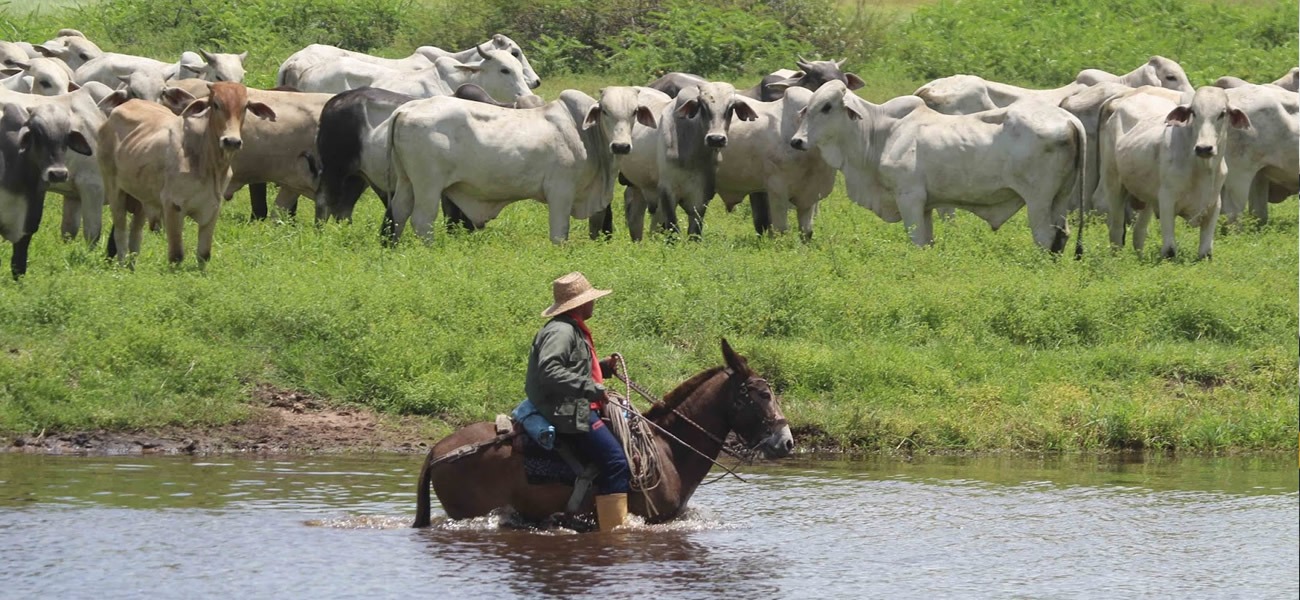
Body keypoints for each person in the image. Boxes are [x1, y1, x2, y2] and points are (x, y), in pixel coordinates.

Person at [525, 271, 630, 532]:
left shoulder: (571, 328)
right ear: (581, 303)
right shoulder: (561, 331)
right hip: (566, 409)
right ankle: (612, 532)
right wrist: (591, 387)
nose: (594, 303)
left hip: (575, 402)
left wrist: (601, 368)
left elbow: (572, 367)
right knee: (617, 462)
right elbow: (549, 371)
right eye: (591, 299)